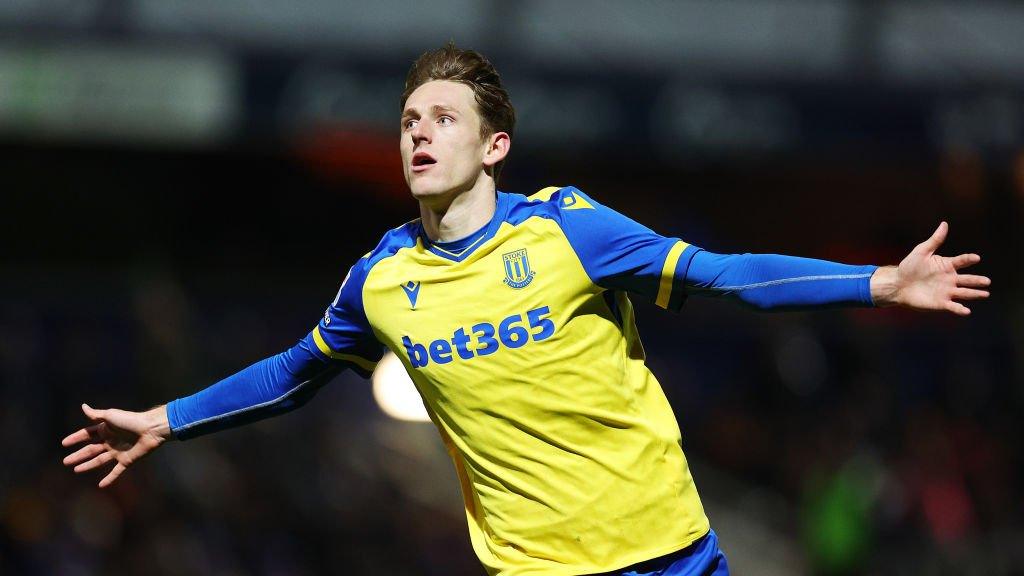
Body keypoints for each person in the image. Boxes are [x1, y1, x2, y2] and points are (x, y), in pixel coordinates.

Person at [62, 43, 990, 576]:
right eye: (407, 122)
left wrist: (879, 282)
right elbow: (293, 374)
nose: (418, 133)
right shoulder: (379, 284)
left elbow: (724, 273)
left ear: (495, 144)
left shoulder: (569, 231)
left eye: (442, 118)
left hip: (671, 553)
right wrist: (164, 420)